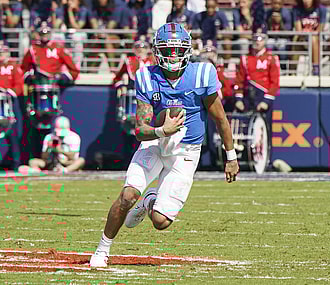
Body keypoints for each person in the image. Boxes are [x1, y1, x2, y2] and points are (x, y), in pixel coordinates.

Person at [89, 22, 239, 268]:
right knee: (127, 196)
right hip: (155, 144)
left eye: (177, 50)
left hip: (186, 151)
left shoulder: (202, 73)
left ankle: (149, 201)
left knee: (160, 221)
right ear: (157, 51)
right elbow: (140, 129)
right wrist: (162, 130)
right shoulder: (147, 76)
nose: (172, 55)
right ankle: (102, 249)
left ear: (187, 50)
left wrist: (231, 157)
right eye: (167, 49)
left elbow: (220, 118)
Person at [21, 23, 80, 162]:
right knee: (34, 126)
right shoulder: (32, 49)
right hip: (36, 92)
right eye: (42, 34)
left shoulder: (58, 48)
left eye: (47, 34)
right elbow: (23, 69)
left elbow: (74, 70)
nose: (44, 37)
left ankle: (58, 159)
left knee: (54, 125)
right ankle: (37, 158)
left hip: (54, 91)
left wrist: (61, 78)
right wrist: (31, 76)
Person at [233, 32, 280, 170]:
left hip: (263, 96)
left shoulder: (271, 58)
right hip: (249, 96)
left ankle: (266, 160)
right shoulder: (245, 59)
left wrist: (266, 100)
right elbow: (239, 80)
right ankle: (245, 158)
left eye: (260, 39)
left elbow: (275, 82)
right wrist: (238, 98)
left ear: (265, 41)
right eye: (255, 39)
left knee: (266, 129)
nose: (257, 42)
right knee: (244, 129)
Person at [18, 116, 85, 173]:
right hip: (51, 162)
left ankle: (65, 170)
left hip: (67, 162)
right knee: (32, 162)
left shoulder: (74, 137)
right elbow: (43, 157)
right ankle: (37, 171)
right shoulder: (49, 137)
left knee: (81, 161)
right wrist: (49, 148)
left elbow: (73, 157)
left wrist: (60, 151)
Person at [292, 0, 327, 75]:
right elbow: (299, 30)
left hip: (318, 40)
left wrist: (309, 33)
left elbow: (319, 30)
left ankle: (316, 69)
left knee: (313, 38)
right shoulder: (296, 9)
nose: (305, 1)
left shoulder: (322, 9)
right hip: (303, 38)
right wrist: (305, 34)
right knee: (295, 40)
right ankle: (292, 71)